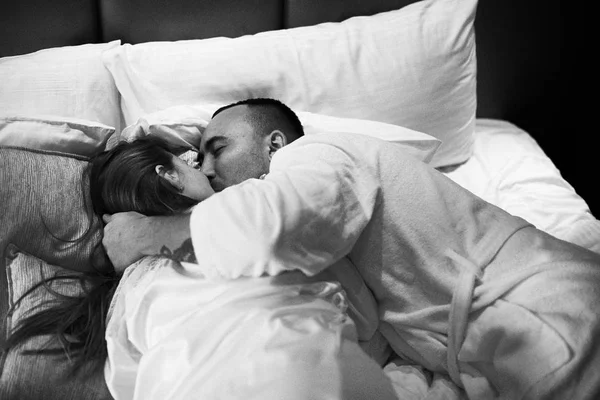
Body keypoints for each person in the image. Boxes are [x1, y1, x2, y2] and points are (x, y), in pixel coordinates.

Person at [103, 98, 600, 400]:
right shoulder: (325, 239)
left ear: (275, 144)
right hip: (486, 356)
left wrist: (148, 235)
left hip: (547, 311)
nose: (207, 169)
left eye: (219, 149)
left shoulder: (320, 156)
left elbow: (271, 225)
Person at [4, 135, 398, 400]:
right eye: (190, 160)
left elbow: (128, 382)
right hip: (297, 365)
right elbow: (363, 317)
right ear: (168, 174)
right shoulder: (244, 207)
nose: (206, 169)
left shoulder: (125, 294)